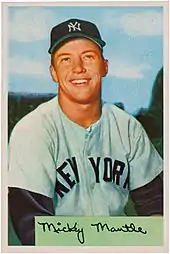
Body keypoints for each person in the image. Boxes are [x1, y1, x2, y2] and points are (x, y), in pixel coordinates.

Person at [8, 18, 163, 245]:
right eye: (65, 59)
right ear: (53, 72)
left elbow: (156, 205)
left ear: (105, 66)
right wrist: (129, 236)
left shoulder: (127, 127)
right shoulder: (32, 131)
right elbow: (34, 229)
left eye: (88, 57)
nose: (78, 68)